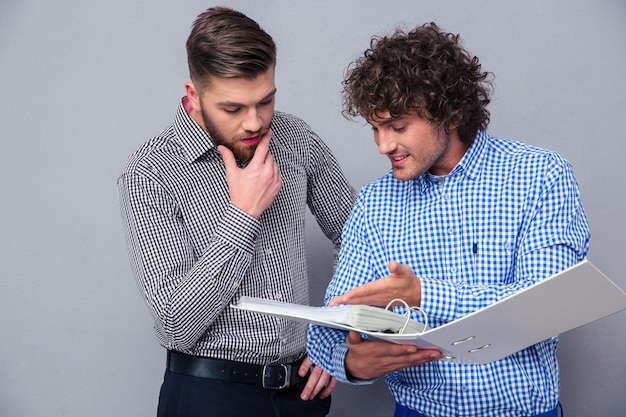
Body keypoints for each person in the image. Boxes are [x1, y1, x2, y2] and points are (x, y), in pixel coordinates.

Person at [307, 22, 590, 417]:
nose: (383, 145)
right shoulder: (375, 203)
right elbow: (327, 330)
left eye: (398, 126)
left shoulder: (540, 175)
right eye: (375, 128)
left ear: (452, 113)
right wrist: (353, 364)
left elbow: (549, 305)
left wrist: (423, 295)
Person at [117, 6, 356, 417]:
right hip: (209, 394)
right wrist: (243, 214)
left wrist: (337, 340)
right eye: (233, 109)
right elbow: (175, 323)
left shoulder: (295, 137)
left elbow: (363, 237)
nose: (255, 122)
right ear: (193, 96)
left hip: (301, 394)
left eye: (266, 100)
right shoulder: (149, 173)